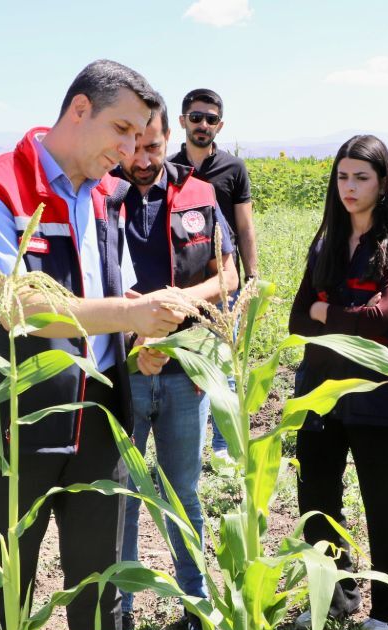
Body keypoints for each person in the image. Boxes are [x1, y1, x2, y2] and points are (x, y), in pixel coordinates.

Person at [0, 60, 187, 630]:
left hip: (98, 420)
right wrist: (125, 316)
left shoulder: (105, 197)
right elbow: (11, 304)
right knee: (7, 583)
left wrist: (146, 330)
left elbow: (117, 287)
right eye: (123, 128)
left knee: (98, 580)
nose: (133, 150)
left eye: (141, 136)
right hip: (13, 422)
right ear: (78, 110)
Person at [288, 134, 388, 630]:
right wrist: (337, 316)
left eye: (362, 177)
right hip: (319, 391)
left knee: (382, 498)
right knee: (318, 496)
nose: (349, 187)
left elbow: (382, 317)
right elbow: (295, 320)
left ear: (382, 182)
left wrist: (327, 311)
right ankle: (334, 595)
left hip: (378, 392)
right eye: (343, 176)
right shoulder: (327, 243)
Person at [113, 100, 238, 630]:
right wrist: (137, 334)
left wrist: (177, 303)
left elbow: (228, 273)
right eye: (133, 147)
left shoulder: (200, 195)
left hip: (188, 368)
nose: (142, 159)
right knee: (123, 494)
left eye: (153, 147)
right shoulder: (100, 196)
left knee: (182, 490)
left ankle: (196, 603)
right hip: (126, 369)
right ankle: (121, 608)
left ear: (169, 139)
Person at [167, 88, 257, 464]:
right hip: (184, 281)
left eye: (211, 119)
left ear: (220, 125)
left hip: (224, 281)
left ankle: (224, 448)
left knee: (226, 363)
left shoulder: (233, 169)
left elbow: (245, 227)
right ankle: (184, 446)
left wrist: (252, 276)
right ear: (183, 121)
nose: (203, 124)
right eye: (196, 116)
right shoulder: (168, 168)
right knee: (184, 364)